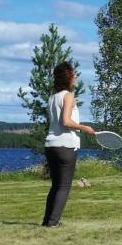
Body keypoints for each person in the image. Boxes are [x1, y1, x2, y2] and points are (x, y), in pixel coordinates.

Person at [42, 62, 96, 227]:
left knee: (56, 186)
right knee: (64, 186)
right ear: (68, 77)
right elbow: (65, 121)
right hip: (65, 146)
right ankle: (53, 223)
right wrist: (84, 128)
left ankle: (47, 221)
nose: (76, 77)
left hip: (51, 145)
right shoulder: (68, 96)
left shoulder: (52, 97)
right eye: (74, 74)